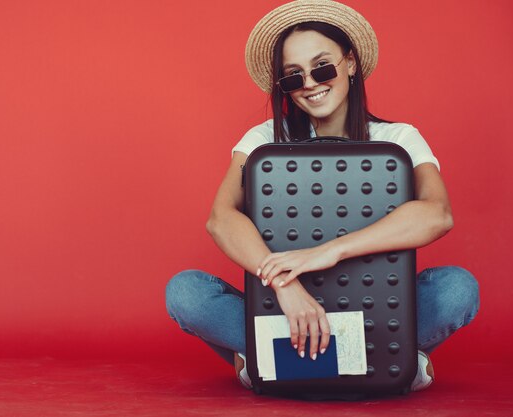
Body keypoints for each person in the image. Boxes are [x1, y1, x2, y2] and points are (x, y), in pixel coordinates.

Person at [165, 0, 479, 392]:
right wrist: (284, 285)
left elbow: (437, 213)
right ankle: (384, 361)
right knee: (185, 292)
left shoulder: (398, 139)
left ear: (350, 63)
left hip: (377, 306)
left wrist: (331, 250)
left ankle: (275, 362)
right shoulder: (263, 140)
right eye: (294, 76)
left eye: (323, 67)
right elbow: (221, 219)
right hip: (284, 309)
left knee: (456, 289)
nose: (311, 83)